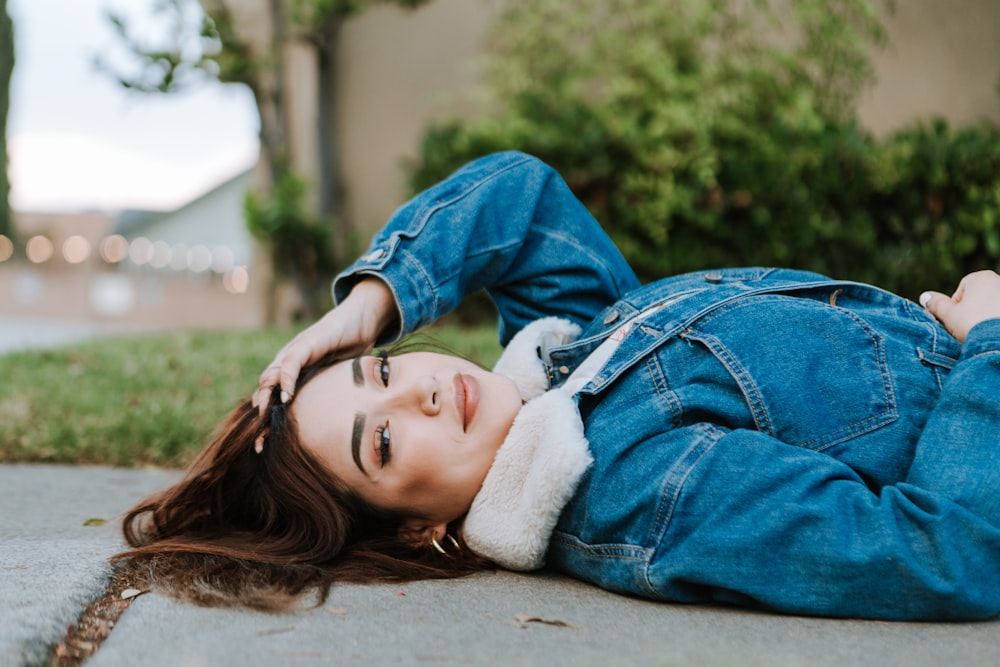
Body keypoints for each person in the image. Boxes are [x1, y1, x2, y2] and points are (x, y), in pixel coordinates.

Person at [116, 151, 1000, 620]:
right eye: (380, 442)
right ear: (420, 528)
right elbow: (947, 554)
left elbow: (520, 197)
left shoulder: (565, 366)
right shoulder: (637, 487)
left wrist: (371, 305)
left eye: (383, 369)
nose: (416, 392)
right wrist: (991, 346)